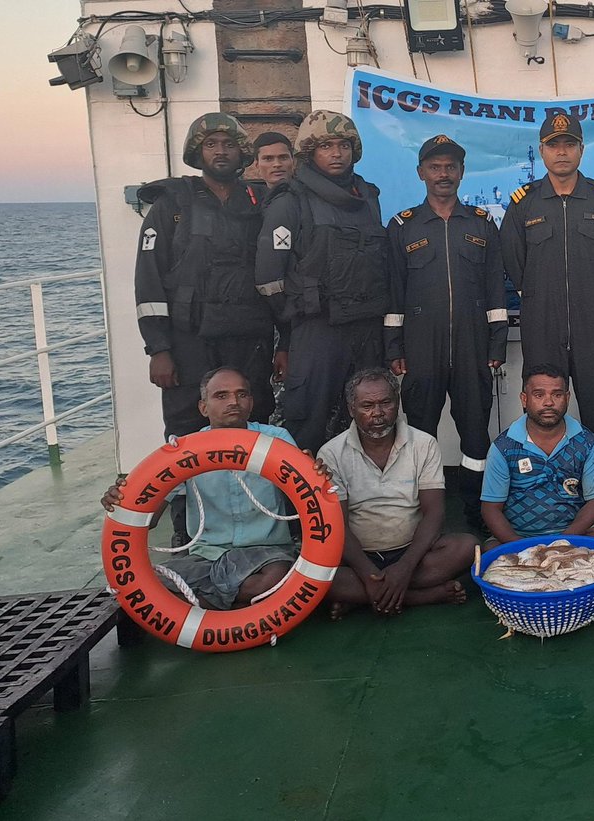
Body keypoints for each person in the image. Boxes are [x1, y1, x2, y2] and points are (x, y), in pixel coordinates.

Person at [134, 113, 282, 542]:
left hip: (247, 339)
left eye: (229, 143)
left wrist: (282, 344)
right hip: (187, 342)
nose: (221, 151)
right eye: (211, 144)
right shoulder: (170, 207)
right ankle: (188, 532)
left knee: (252, 424)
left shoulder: (258, 204)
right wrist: (158, 348)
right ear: (198, 152)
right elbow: (148, 281)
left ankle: (262, 527)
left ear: (242, 153)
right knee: (185, 432)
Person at [100, 367, 320, 610]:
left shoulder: (277, 439)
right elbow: (150, 520)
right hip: (206, 555)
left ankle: (206, 608)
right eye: (221, 396)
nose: (234, 402)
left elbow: (308, 499)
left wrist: (311, 472)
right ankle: (241, 609)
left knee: (275, 581)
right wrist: (123, 502)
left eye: (242, 394)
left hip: (266, 554)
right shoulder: (183, 451)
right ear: (203, 407)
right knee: (146, 587)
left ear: (251, 402)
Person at [256, 110, 396, 454]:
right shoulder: (290, 201)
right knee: (309, 422)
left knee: (370, 422)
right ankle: (300, 506)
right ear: (310, 152)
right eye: (326, 146)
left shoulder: (368, 198)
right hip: (317, 331)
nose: (336, 153)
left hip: (366, 329)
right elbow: (268, 279)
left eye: (343, 145)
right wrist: (292, 330)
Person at [387, 134, 507, 531]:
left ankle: (478, 512)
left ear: (461, 173)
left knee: (476, 433)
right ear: (421, 173)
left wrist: (497, 342)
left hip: (473, 346)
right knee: (419, 432)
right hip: (421, 347)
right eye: (435, 167)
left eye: (451, 167)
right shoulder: (403, 226)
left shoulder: (481, 224)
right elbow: (394, 292)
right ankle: (419, 516)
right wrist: (394, 347)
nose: (443, 174)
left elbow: (494, 289)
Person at [500, 112, 594, 480]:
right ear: (542, 151)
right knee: (544, 404)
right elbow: (513, 258)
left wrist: (592, 291)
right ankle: (542, 482)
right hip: (542, 322)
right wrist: (539, 294)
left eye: (569, 144)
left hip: (593, 322)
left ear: (581, 150)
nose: (562, 152)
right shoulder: (524, 203)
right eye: (554, 145)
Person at [317, 368, 473, 616]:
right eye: (367, 405)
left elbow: (434, 513)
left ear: (397, 403)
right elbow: (337, 525)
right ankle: (422, 597)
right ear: (351, 409)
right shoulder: (332, 453)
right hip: (359, 557)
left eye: (385, 403)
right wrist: (369, 576)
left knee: (467, 548)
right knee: (317, 577)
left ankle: (362, 597)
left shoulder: (424, 444)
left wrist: (404, 568)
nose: (377, 413)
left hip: (414, 553)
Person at [480, 365, 594, 546]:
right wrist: (520, 546)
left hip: (574, 533)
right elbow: (491, 509)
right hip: (519, 535)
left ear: (567, 398)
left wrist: (562, 542)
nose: (548, 402)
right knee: (490, 548)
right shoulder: (504, 446)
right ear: (524, 399)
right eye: (539, 395)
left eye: (557, 395)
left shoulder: (586, 441)